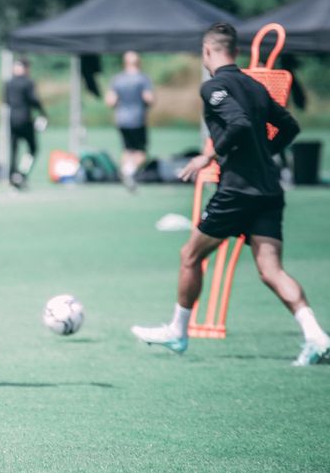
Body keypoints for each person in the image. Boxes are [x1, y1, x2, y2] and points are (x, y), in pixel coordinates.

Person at [131, 22, 330, 366]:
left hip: (237, 191)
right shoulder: (254, 86)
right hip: (269, 188)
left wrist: (209, 155)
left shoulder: (213, 87)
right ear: (235, 52)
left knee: (190, 255)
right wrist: (265, 152)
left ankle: (178, 332)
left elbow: (236, 123)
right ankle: (317, 337)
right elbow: (290, 126)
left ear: (207, 52)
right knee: (271, 271)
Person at [105, 51, 154, 191]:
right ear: (138, 62)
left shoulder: (118, 79)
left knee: (127, 150)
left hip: (121, 119)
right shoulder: (142, 79)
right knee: (141, 152)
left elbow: (110, 101)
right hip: (137, 119)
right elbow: (148, 98)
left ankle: (127, 173)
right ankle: (128, 172)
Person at [3, 57, 47, 189]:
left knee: (13, 150)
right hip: (25, 119)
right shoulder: (28, 82)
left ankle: (12, 176)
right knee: (33, 148)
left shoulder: (9, 82)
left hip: (12, 119)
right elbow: (34, 100)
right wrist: (43, 113)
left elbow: (6, 101)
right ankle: (22, 174)